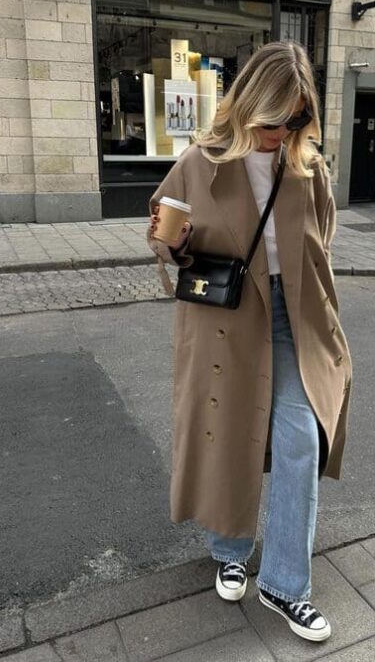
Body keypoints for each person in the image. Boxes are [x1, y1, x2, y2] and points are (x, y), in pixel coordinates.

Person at [146, 41, 352, 643]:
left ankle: (286, 584)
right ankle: (231, 546)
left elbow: (324, 239)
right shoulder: (202, 159)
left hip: (294, 319)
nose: (280, 133)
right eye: (271, 121)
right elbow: (164, 231)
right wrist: (172, 242)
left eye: (294, 121)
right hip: (230, 316)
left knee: (298, 440)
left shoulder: (306, 165)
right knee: (229, 434)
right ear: (246, 108)